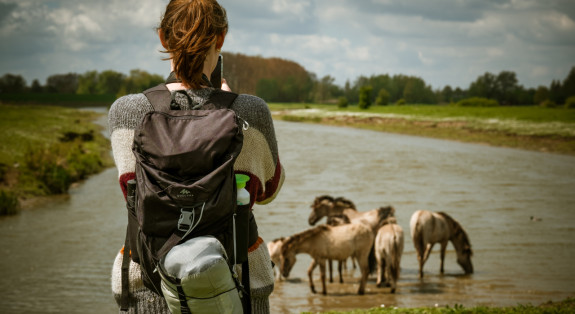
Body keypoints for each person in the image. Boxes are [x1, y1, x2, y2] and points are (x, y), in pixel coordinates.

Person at [108, 0, 285, 313]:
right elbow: (269, 190)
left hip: (150, 284)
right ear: (221, 38)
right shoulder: (250, 111)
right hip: (237, 284)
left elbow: (130, 190)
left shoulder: (126, 112)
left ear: (163, 37)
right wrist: (228, 101)